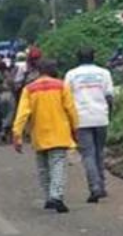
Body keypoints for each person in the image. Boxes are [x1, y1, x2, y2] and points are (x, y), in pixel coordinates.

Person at [11, 59, 78, 213]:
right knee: (57, 166)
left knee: (43, 168)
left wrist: (17, 134)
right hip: (60, 133)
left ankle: (49, 197)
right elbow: (71, 110)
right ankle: (57, 196)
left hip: (39, 135)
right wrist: (76, 129)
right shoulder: (61, 86)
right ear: (54, 70)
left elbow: (22, 114)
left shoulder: (29, 89)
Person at [64, 47, 115, 203]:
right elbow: (110, 97)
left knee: (88, 155)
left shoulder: (71, 75)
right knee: (99, 152)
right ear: (94, 57)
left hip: (81, 118)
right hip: (101, 117)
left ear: (77, 58)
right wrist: (109, 115)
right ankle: (102, 185)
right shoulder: (104, 73)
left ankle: (95, 187)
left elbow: (66, 99)